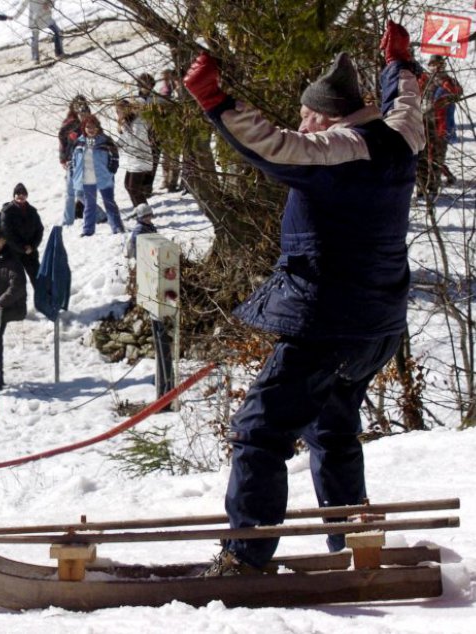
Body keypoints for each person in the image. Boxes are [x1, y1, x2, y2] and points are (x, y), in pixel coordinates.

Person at [181, 21, 424, 575]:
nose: (301, 123)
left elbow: (274, 146)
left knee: (260, 429)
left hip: (327, 321)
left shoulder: (340, 151)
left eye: (308, 115)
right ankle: (353, 543)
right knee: (332, 428)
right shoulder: (401, 137)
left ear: (328, 118)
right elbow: (406, 100)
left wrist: (216, 102)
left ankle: (245, 558)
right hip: (379, 323)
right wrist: (399, 66)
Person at [0, 230, 27, 393]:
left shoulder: (12, 259)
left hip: (3, 307)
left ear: (5, 241)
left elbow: (18, 286)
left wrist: (0, 303)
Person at [416, 55, 462, 199]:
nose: (436, 67)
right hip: (422, 123)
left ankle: (433, 187)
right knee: (421, 157)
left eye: (439, 64)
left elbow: (457, 92)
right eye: (433, 64)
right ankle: (421, 188)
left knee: (437, 157)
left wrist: (444, 82)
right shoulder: (424, 78)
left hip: (440, 126)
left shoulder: (448, 81)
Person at [71, 115, 124, 236]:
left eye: (93, 127)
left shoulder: (105, 140)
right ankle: (88, 230)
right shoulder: (79, 142)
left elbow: (114, 157)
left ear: (98, 127)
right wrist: (74, 172)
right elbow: (73, 159)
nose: (91, 129)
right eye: (88, 127)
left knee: (109, 202)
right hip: (87, 178)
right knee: (89, 205)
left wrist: (111, 170)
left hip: (103, 176)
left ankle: (117, 227)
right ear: (84, 128)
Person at [0, 182, 44, 286]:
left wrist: (32, 247)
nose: (20, 196)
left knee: (38, 280)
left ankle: (43, 301)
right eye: (18, 193)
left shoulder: (32, 211)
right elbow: (8, 235)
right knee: (17, 284)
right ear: (14, 195)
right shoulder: (7, 212)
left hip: (31, 252)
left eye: (23, 193)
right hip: (14, 253)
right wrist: (22, 248)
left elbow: (39, 230)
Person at [59, 95, 91, 227]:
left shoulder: (90, 123)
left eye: (83, 107)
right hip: (71, 161)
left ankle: (100, 215)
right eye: (78, 107)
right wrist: (63, 158)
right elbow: (62, 141)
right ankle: (68, 221)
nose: (81, 110)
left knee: (78, 192)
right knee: (71, 193)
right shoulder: (70, 123)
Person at [116, 99, 154, 207]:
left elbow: (137, 139)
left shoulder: (138, 122)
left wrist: (124, 144)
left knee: (134, 187)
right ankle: (139, 210)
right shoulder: (128, 122)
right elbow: (125, 138)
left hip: (141, 157)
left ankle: (145, 213)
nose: (118, 114)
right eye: (117, 111)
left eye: (120, 111)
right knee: (128, 185)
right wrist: (115, 146)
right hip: (134, 160)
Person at [156, 69, 182, 193]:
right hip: (164, 125)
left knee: (174, 155)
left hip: (175, 125)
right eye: (164, 77)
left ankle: (173, 181)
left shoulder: (178, 89)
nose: (166, 79)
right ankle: (166, 179)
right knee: (166, 156)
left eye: (168, 77)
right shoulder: (163, 90)